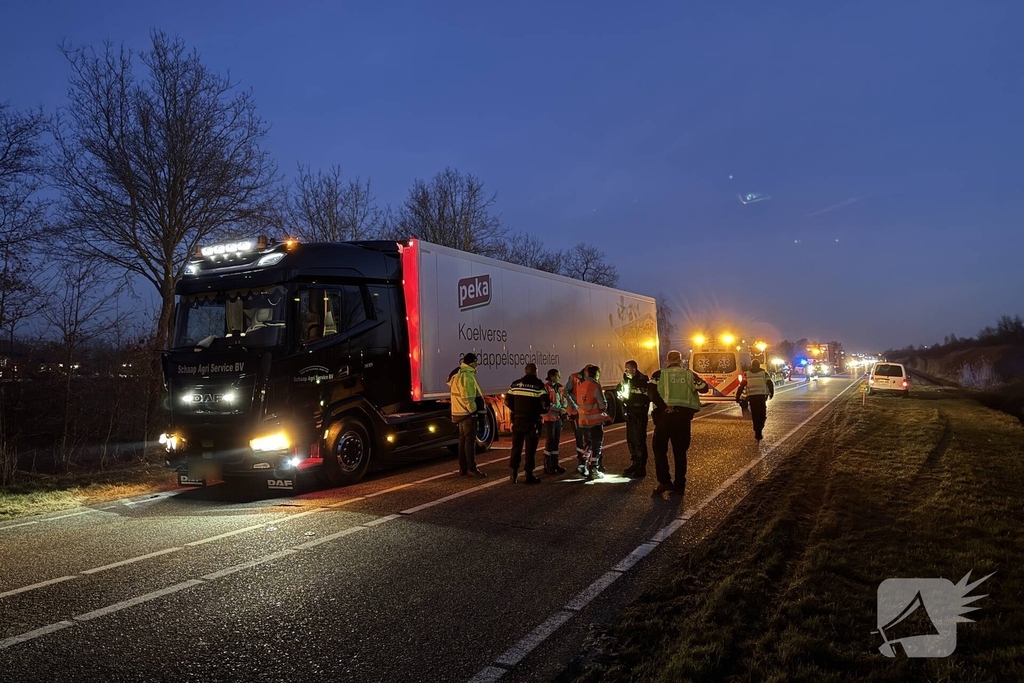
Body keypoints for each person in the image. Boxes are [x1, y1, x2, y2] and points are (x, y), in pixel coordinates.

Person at [648, 350, 709, 496]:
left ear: (667, 360)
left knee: (659, 449)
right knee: (680, 452)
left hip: (664, 417)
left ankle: (664, 482)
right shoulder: (689, 375)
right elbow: (704, 388)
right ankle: (680, 485)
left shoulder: (659, 374)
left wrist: (664, 407)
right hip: (682, 418)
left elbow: (651, 392)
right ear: (680, 360)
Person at [505, 363, 549, 483]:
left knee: (516, 447)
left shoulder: (515, 384)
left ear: (525, 371)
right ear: (536, 371)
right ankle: (529, 475)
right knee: (530, 448)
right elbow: (545, 404)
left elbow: (507, 401)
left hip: (518, 420)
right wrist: (540, 411)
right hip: (532, 421)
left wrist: (516, 410)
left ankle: (513, 473)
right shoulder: (539, 385)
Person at [447, 353, 487, 477]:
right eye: (476, 362)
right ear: (472, 363)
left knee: (462, 440)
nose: (477, 364)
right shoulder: (467, 376)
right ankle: (472, 468)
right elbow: (468, 398)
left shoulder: (457, 374)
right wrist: (474, 411)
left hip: (458, 412)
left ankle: (463, 468)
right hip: (467, 413)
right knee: (470, 441)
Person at [577, 365, 612, 479]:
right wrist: (605, 405)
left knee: (589, 443)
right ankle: (594, 469)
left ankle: (582, 463)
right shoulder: (595, 386)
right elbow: (602, 405)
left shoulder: (581, 386)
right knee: (597, 444)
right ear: (596, 374)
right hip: (595, 421)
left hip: (583, 420)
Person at [620, 360, 651, 478]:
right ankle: (634, 463)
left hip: (639, 414)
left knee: (639, 441)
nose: (625, 371)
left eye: (627, 369)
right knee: (631, 440)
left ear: (634, 369)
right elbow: (623, 391)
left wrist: (627, 399)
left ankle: (641, 467)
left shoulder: (642, 381)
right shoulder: (627, 380)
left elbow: (641, 397)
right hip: (631, 413)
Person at [736, 358, 774, 441]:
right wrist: (771, 393)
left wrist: (737, 396)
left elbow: (742, 386)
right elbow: (769, 383)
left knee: (755, 415)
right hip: (761, 397)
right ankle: (759, 429)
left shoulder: (747, 374)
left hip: (752, 397)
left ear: (752, 365)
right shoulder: (764, 373)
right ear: (759, 365)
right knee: (762, 415)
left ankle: (757, 431)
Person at [541, 368, 568, 475]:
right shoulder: (546, 388)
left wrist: (564, 408)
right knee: (550, 441)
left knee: (556, 441)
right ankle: (547, 466)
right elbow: (546, 404)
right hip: (549, 418)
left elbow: (564, 399)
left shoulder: (559, 387)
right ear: (551, 376)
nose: (559, 378)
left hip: (558, 418)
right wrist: (559, 409)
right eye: (557, 376)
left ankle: (555, 464)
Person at [563, 365, 589, 467]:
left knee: (588, 436)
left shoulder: (590, 378)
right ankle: (581, 458)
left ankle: (587, 457)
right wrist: (573, 405)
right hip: (575, 412)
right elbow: (566, 391)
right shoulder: (574, 377)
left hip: (585, 411)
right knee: (579, 436)